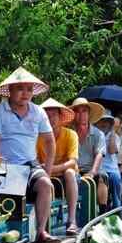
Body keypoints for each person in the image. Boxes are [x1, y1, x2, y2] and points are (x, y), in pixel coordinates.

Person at [0, 67, 57, 243]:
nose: (26, 93)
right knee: (6, 199)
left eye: (29, 89)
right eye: (20, 89)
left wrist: (47, 171)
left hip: (30, 164)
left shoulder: (38, 112)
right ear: (10, 90)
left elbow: (49, 142)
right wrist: (1, 174)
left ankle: (41, 232)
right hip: (4, 165)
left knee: (45, 184)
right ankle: (3, 233)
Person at [37, 98, 80, 235]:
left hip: (65, 174)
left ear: (60, 117)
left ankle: (72, 220)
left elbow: (72, 162)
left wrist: (52, 168)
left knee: (70, 173)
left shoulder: (71, 134)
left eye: (53, 115)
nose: (50, 119)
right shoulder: (37, 136)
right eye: (47, 116)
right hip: (44, 173)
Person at [69, 97, 109, 211]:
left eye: (84, 111)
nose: (81, 115)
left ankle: (102, 212)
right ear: (73, 114)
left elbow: (99, 154)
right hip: (74, 169)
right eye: (77, 111)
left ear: (89, 114)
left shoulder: (98, 134)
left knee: (102, 178)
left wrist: (92, 172)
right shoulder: (69, 132)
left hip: (92, 169)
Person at [95, 109, 122, 210]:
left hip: (111, 169)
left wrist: (112, 132)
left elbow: (112, 150)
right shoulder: (95, 135)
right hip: (98, 168)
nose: (104, 123)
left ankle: (117, 209)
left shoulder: (116, 137)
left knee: (115, 179)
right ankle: (101, 209)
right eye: (101, 121)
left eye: (107, 121)